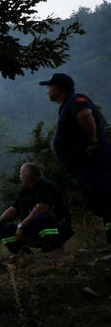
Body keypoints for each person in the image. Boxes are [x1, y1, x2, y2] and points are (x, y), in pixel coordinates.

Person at [41, 72, 111, 243]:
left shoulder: (75, 100)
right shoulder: (65, 106)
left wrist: (93, 142)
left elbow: (85, 114)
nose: (47, 91)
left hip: (97, 162)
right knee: (102, 201)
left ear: (57, 89)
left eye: (49, 87)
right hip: (85, 167)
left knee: (108, 195)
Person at [0, 164, 73, 253]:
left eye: (21, 173)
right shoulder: (26, 191)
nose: (20, 176)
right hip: (32, 229)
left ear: (28, 177)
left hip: (57, 228)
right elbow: (13, 209)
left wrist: (21, 226)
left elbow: (41, 208)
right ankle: (22, 254)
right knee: (0, 228)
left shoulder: (45, 186)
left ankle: (54, 247)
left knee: (40, 217)